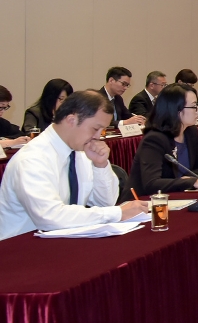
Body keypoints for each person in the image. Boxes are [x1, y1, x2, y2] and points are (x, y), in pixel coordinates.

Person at [0, 91, 148, 240]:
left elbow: (105, 203)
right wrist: (118, 212)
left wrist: (100, 165)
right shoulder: (32, 159)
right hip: (21, 248)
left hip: (62, 241)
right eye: (95, 129)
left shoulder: (80, 152)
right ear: (71, 120)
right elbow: (50, 217)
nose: (98, 136)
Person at [129, 84, 198, 195]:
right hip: (147, 203)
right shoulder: (154, 139)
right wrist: (192, 181)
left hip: (180, 196)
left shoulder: (190, 132)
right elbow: (151, 184)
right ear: (176, 110)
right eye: (193, 106)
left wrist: (188, 180)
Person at [0, 86, 30, 150]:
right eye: (1, 107)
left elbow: (19, 134)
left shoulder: (2, 123)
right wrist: (12, 142)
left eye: (5, 108)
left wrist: (4, 140)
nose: (3, 111)